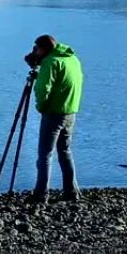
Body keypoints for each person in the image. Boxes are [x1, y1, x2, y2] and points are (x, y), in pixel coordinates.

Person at [30, 34, 84, 203]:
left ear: (44, 48)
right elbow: (67, 81)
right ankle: (71, 191)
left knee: (45, 154)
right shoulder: (71, 58)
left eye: (37, 49)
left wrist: (41, 107)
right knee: (65, 152)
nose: (35, 52)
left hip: (54, 113)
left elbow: (42, 88)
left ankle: (41, 194)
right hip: (70, 111)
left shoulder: (51, 62)